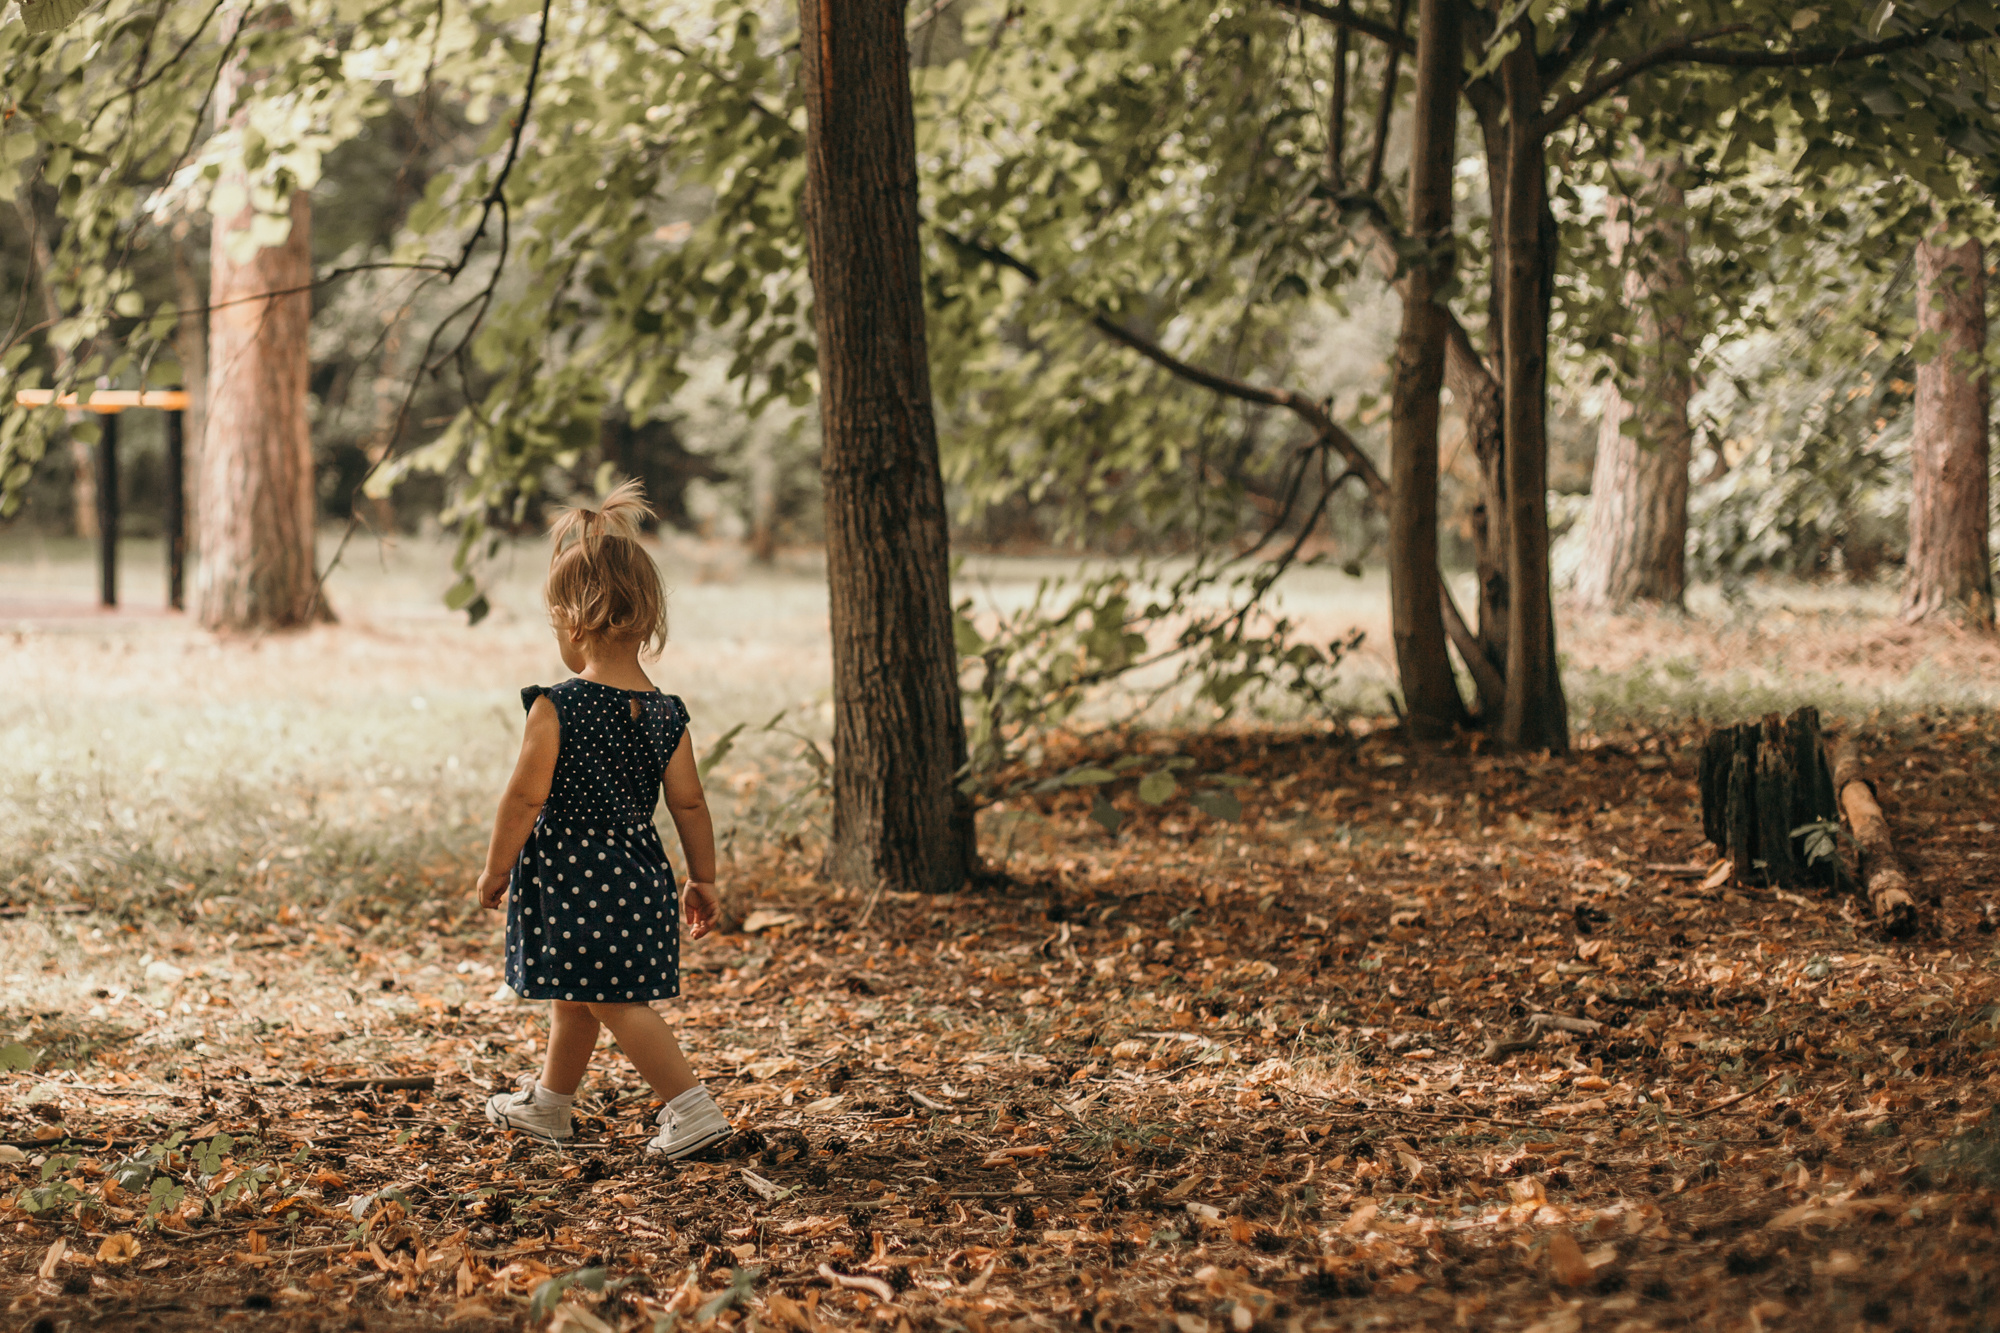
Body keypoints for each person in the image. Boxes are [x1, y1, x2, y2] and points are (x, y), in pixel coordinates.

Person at [472, 481, 732, 1159]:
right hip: (639, 873)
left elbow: (523, 799)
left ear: (571, 619)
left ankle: (694, 1109)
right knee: (577, 992)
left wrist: (497, 867)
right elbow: (690, 803)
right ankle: (551, 1106)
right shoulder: (666, 712)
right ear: (646, 618)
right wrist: (703, 878)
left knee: (613, 1002)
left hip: (572, 876)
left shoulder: (556, 707)